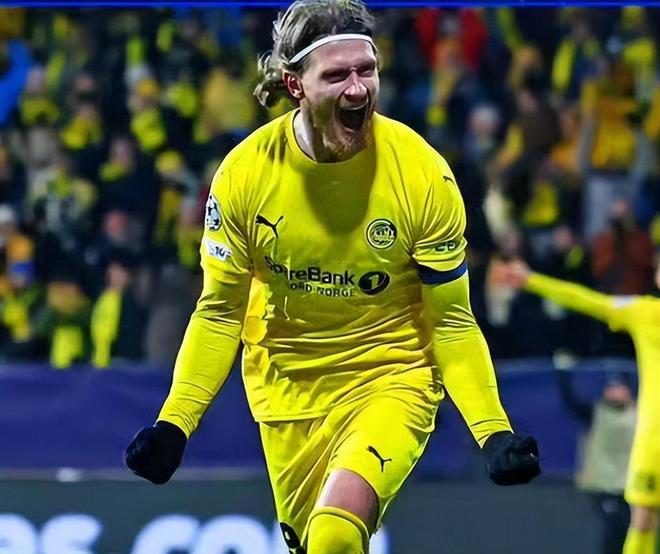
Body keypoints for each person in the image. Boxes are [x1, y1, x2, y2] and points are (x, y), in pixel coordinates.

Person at [124, 2, 540, 552]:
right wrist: (174, 424)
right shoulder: (244, 176)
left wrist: (492, 431)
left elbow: (452, 321)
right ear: (295, 85)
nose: (358, 89)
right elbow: (221, 312)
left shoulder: (422, 175)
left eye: (367, 70)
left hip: (391, 375)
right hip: (286, 393)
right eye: (337, 75)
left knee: (334, 535)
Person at [498, 257, 660, 554]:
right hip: (652, 441)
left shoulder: (647, 313)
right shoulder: (647, 312)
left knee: (643, 520)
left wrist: (531, 280)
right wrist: (533, 281)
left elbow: (587, 301)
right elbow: (587, 300)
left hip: (653, 441)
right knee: (642, 520)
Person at [557, 363, 636, 554]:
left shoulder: (640, 414)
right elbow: (570, 400)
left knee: (629, 530)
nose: (614, 391)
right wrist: (563, 371)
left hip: (629, 486)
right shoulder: (595, 412)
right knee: (614, 527)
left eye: (619, 387)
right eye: (611, 387)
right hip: (602, 485)